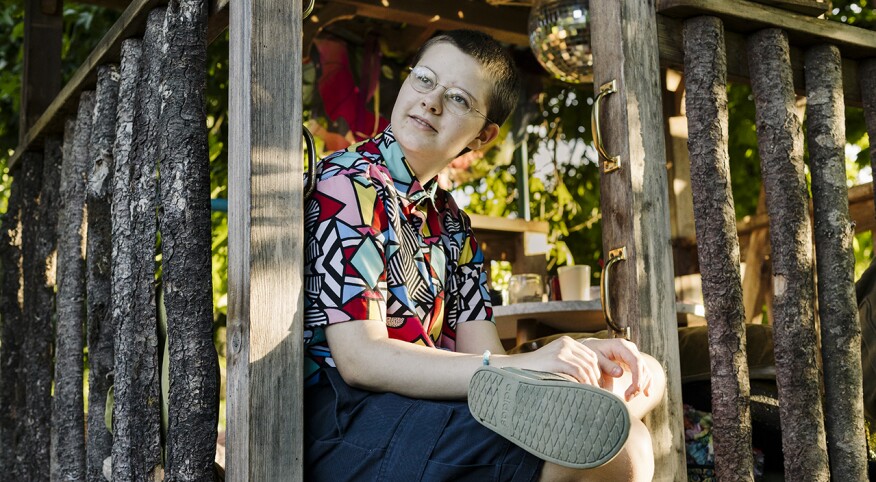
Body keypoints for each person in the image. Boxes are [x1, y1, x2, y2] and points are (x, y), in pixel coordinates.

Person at [303, 29, 665, 482]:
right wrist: (530, 363)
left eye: (457, 99)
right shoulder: (348, 182)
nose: (431, 102)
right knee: (622, 449)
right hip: (347, 421)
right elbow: (360, 360)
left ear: (484, 136)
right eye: (424, 80)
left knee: (644, 380)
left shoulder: (453, 222)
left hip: (432, 406)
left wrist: (577, 358)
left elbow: (486, 358)